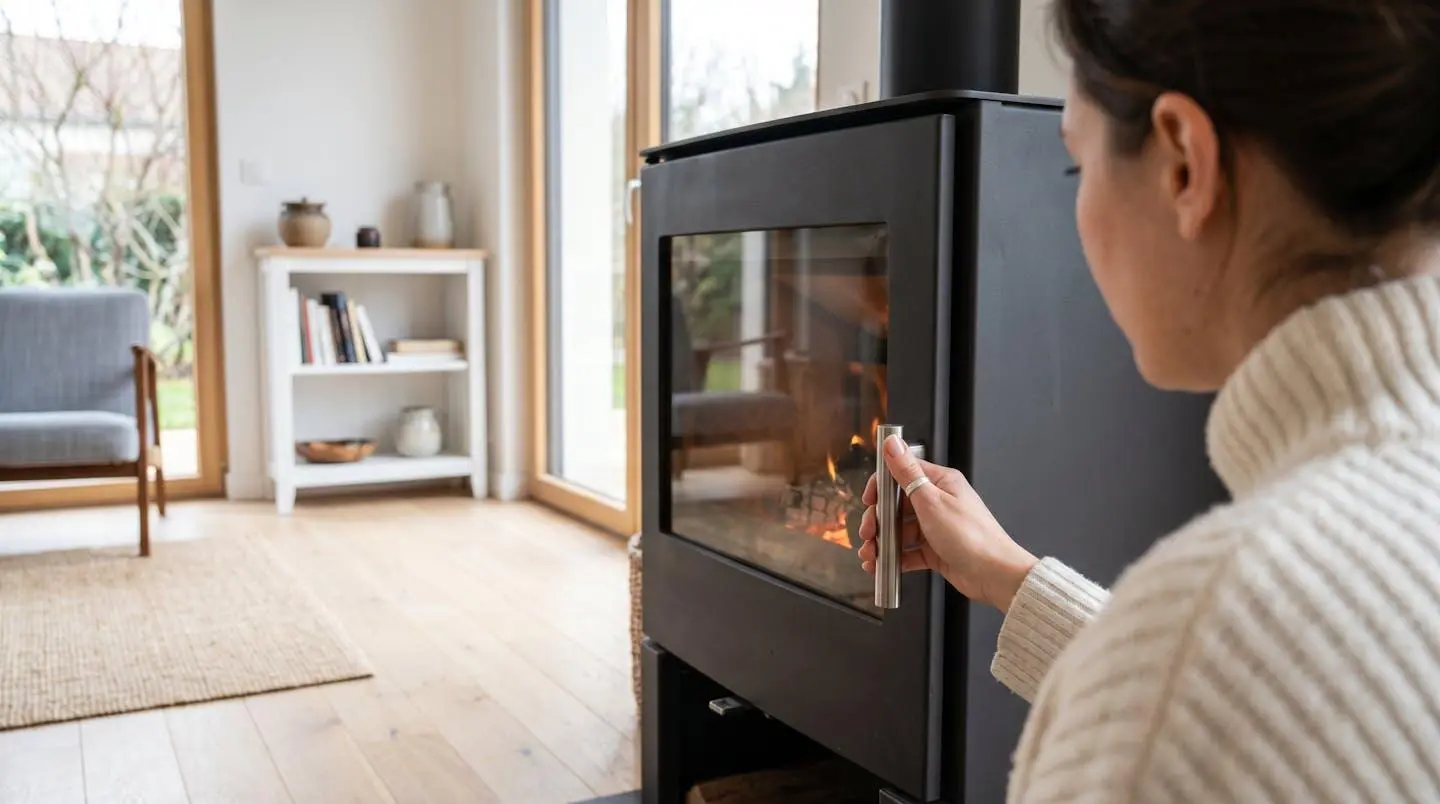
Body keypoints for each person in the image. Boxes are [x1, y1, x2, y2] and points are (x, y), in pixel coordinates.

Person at [856, 0, 1440, 801]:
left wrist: (1153, 650)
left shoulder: (1203, 639)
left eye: (1076, 166)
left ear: (1183, 166)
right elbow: (1258, 701)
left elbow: (1195, 685)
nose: (1080, 209)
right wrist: (1010, 575)